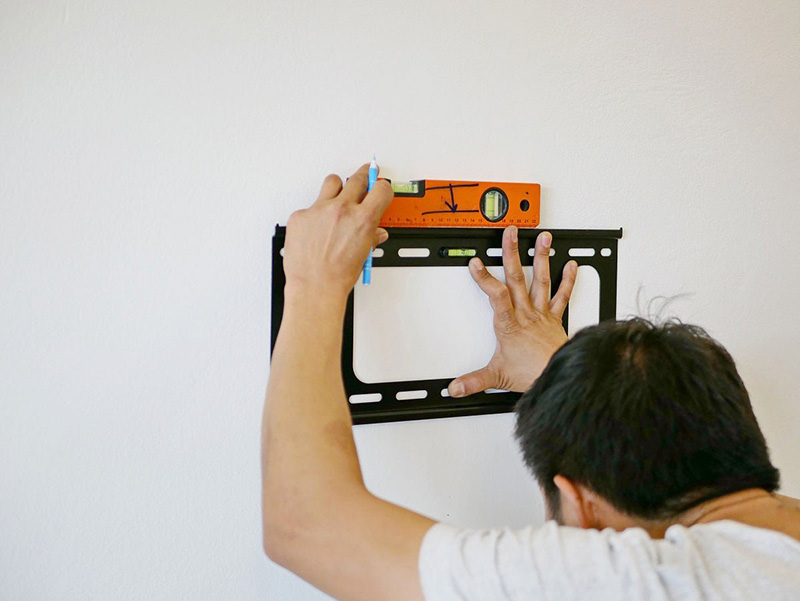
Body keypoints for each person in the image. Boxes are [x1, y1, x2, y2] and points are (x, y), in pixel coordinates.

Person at [261, 164, 800, 600]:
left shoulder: (640, 582)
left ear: (580, 505)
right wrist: (574, 381)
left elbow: (305, 522)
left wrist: (313, 283)